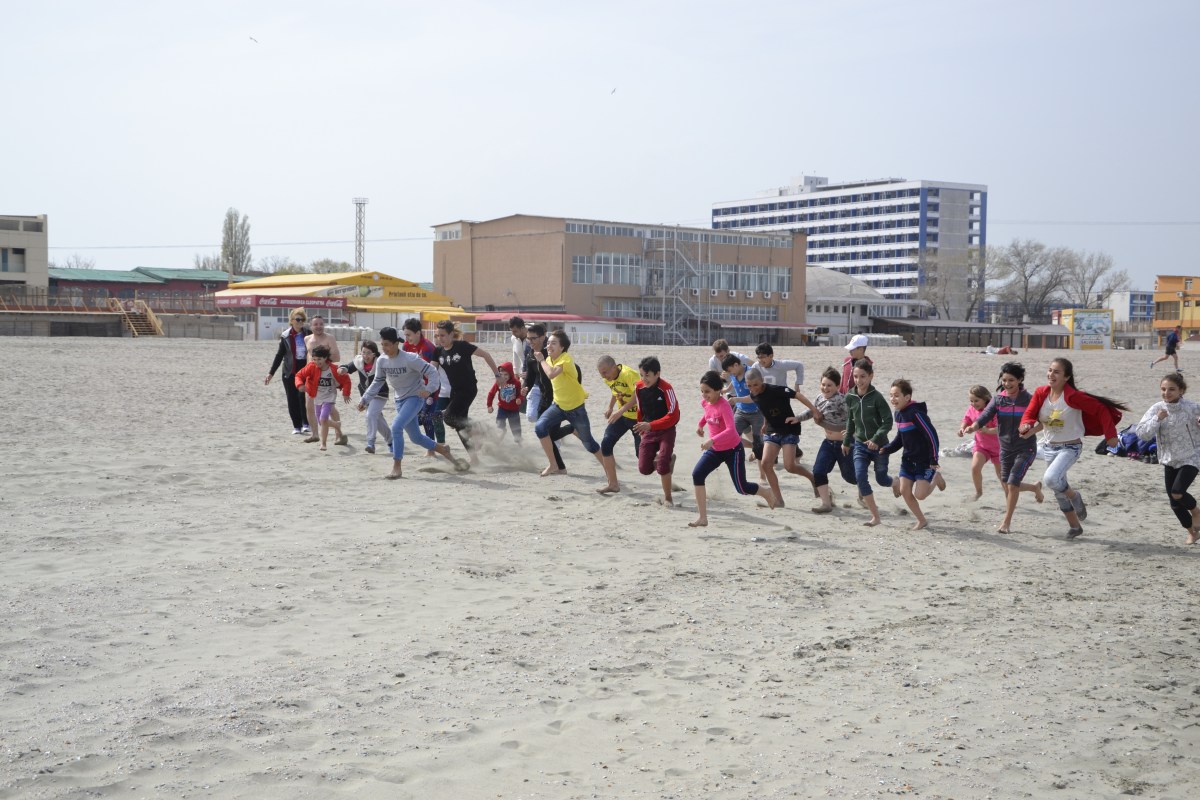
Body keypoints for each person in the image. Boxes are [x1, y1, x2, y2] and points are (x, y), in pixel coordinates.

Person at [1019, 357, 1126, 539]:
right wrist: (1026, 424)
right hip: (1049, 447)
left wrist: (1110, 435)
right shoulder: (1041, 393)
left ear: (1066, 377)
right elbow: (1029, 413)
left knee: (1051, 479)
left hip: (1070, 447)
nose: (1051, 374)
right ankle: (1075, 527)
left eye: (1056, 372)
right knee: (1057, 489)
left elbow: (1101, 410)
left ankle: (1075, 496)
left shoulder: (1073, 396)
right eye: (1050, 370)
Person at [359, 326, 458, 479]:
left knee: (396, 427)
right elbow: (377, 382)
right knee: (416, 437)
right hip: (399, 400)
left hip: (415, 397)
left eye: (387, 345)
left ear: (396, 343)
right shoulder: (382, 361)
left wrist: (429, 389)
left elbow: (432, 372)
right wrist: (365, 399)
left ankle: (397, 467)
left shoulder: (410, 358)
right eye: (382, 344)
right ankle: (443, 449)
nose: (384, 348)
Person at [961, 362, 1046, 535]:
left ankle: (1006, 522)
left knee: (1012, 484)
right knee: (1008, 484)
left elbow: (1043, 422)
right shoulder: (998, 400)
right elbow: (984, 416)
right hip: (1005, 449)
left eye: (1011, 380)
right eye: (1004, 380)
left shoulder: (1029, 400)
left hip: (1026, 448)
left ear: (1020, 380)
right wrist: (973, 427)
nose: (1007, 384)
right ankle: (1035, 487)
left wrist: (1031, 432)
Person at [689, 371, 777, 527]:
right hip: (715, 450)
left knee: (742, 488)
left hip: (733, 450)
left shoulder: (724, 406)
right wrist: (700, 425)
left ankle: (765, 492)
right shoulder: (706, 402)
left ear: (718, 390)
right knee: (697, 474)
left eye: (707, 391)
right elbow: (707, 413)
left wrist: (711, 440)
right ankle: (702, 518)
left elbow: (730, 430)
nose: (704, 395)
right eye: (702, 391)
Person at [1136, 372, 1200, 544]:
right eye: (1163, 389)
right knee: (1175, 503)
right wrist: (1157, 419)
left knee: (1177, 492)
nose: (1167, 393)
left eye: (1171, 389)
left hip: (1191, 457)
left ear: (1181, 390)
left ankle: (1196, 511)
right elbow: (1142, 434)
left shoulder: (1192, 407)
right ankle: (1192, 533)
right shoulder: (1156, 409)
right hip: (1169, 460)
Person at [534, 329, 604, 477]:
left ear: (562, 347)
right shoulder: (549, 359)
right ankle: (553, 464)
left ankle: (609, 467)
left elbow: (551, 374)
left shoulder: (565, 359)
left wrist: (541, 360)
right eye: (548, 343)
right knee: (540, 427)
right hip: (558, 406)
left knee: (589, 444)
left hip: (576, 409)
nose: (549, 346)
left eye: (553, 343)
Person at [433, 319, 500, 466]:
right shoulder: (438, 351)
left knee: (448, 417)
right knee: (459, 426)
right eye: (437, 335)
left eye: (443, 335)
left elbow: (486, 355)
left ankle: (477, 430)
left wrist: (497, 375)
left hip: (468, 389)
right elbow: (431, 371)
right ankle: (475, 459)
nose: (440, 338)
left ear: (451, 334)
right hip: (455, 391)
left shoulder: (462, 346)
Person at [880, 379, 943, 530]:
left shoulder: (916, 413)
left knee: (920, 495)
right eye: (891, 395)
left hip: (924, 462)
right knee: (904, 490)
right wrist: (887, 449)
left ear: (907, 397)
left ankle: (936, 478)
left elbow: (931, 435)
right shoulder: (898, 414)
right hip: (907, 460)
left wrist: (933, 458)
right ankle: (921, 520)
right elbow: (901, 438)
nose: (892, 399)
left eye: (896, 395)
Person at [795, 366, 856, 514]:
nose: (825, 388)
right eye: (823, 384)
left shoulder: (842, 400)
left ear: (837, 386)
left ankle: (864, 490)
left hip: (845, 444)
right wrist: (796, 418)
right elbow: (812, 412)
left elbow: (854, 417)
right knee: (818, 471)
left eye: (829, 385)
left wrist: (850, 432)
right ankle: (826, 503)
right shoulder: (819, 398)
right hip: (828, 443)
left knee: (850, 476)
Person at [843, 359, 894, 526]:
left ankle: (895, 482)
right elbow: (850, 420)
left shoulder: (877, 397)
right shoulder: (850, 396)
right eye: (856, 376)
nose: (859, 380)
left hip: (880, 445)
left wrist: (876, 438)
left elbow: (888, 421)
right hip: (860, 444)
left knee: (882, 479)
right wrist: (846, 441)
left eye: (863, 376)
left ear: (871, 376)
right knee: (860, 477)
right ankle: (875, 517)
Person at [522, 324, 570, 471]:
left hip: (558, 397)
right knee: (544, 430)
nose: (530, 341)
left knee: (547, 431)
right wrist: (525, 387)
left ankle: (557, 465)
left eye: (533, 338)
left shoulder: (551, 353)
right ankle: (559, 467)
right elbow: (530, 377)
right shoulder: (531, 354)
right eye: (528, 338)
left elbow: (572, 370)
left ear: (543, 337)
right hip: (544, 397)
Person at [634, 356, 681, 505]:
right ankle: (666, 460)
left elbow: (673, 416)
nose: (644, 379)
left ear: (657, 374)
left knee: (662, 466)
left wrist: (651, 425)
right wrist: (642, 428)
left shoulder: (667, 388)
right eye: (641, 375)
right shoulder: (639, 387)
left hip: (666, 431)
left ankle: (668, 498)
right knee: (644, 469)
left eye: (647, 375)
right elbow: (640, 410)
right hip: (648, 431)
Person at [596, 355, 642, 494]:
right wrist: (610, 407)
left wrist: (620, 410)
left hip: (639, 418)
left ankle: (665, 461)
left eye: (605, 372)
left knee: (641, 455)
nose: (604, 376)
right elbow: (616, 391)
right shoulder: (608, 378)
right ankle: (613, 484)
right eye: (601, 374)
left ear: (614, 367)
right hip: (622, 417)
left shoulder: (628, 374)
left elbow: (638, 394)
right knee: (606, 444)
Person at [293, 345, 352, 451]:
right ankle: (337, 425)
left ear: (325, 358)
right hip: (317, 397)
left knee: (323, 419)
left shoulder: (334, 369)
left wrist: (346, 393)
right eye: (314, 359)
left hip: (329, 397)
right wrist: (300, 385)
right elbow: (299, 375)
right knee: (322, 422)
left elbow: (346, 380)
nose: (316, 362)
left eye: (319, 359)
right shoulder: (311, 366)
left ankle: (323, 444)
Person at [264, 309, 312, 435]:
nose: (300, 322)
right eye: (298, 319)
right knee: (292, 399)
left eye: (302, 319)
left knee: (303, 397)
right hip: (290, 370)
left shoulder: (308, 333)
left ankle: (306, 423)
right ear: (291, 321)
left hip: (305, 369)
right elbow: (279, 355)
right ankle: (297, 426)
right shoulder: (285, 336)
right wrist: (271, 373)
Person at [339, 340, 392, 455]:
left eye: (368, 353)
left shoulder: (380, 362)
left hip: (380, 393)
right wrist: (342, 369)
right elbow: (348, 367)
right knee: (377, 419)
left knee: (370, 415)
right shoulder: (359, 361)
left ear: (374, 354)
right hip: (366, 394)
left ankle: (370, 443)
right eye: (363, 352)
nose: (365, 356)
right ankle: (391, 442)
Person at [401, 318, 443, 444]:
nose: (407, 338)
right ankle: (440, 417)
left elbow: (434, 372)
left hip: (430, 387)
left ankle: (432, 447)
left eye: (409, 335)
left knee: (426, 418)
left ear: (418, 333)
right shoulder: (406, 346)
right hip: (414, 387)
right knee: (417, 418)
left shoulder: (428, 348)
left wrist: (429, 389)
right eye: (405, 335)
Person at [958, 384, 1002, 500]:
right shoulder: (972, 408)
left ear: (985, 398)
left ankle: (1031, 488)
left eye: (976, 400)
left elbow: (1000, 429)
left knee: (1002, 477)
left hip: (998, 448)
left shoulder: (993, 410)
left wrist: (987, 430)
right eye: (971, 401)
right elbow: (967, 419)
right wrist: (962, 428)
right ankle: (978, 492)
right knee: (975, 468)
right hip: (981, 446)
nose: (973, 403)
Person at [303, 314, 343, 435]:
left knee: (330, 408)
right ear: (311, 326)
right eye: (315, 324)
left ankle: (338, 432)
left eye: (321, 324)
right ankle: (315, 434)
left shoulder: (329, 338)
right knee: (309, 406)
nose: (318, 326)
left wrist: (322, 359)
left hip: (326, 376)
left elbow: (337, 357)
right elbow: (309, 356)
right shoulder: (307, 339)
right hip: (311, 376)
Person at [722, 355, 764, 462]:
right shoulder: (734, 374)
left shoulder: (751, 374)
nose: (730, 373)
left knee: (760, 442)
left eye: (730, 371)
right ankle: (754, 446)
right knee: (731, 436)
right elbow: (733, 382)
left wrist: (736, 399)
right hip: (740, 412)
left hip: (757, 412)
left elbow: (754, 397)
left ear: (736, 365)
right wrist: (726, 390)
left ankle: (758, 450)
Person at [486, 361, 523, 443]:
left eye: (506, 374)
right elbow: (491, 393)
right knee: (499, 425)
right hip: (502, 408)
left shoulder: (517, 383)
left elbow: (520, 394)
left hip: (514, 410)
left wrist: (519, 399)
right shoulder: (499, 382)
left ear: (511, 374)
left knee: (516, 431)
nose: (503, 377)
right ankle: (501, 436)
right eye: (501, 374)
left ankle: (520, 444)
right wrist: (489, 405)